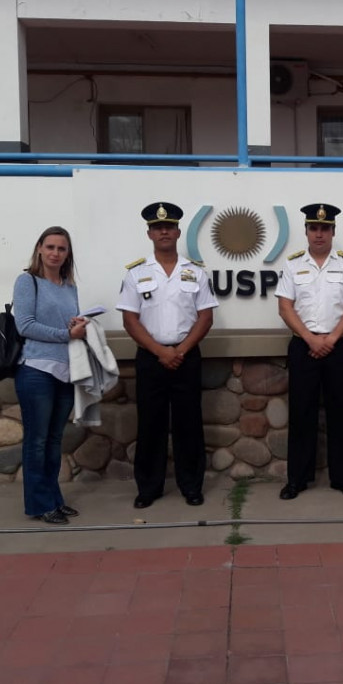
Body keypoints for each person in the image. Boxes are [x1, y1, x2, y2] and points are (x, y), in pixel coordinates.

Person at [117, 201, 218, 508]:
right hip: (151, 358)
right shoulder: (136, 273)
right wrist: (160, 351)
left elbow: (205, 317)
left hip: (187, 356)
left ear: (177, 231)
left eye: (169, 226)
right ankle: (149, 487)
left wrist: (180, 350)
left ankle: (191, 486)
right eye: (158, 227)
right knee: (150, 424)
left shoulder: (195, 272)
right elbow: (130, 320)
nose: (164, 231)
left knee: (189, 424)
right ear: (149, 233)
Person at [276, 203, 343, 500]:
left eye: (325, 228)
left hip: (338, 346)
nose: (319, 234)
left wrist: (331, 339)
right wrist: (310, 339)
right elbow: (285, 307)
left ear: (333, 232)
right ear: (306, 231)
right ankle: (297, 479)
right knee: (302, 414)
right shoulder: (292, 265)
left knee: (340, 413)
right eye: (314, 228)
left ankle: (342, 479)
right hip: (304, 346)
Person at [14, 226, 87, 525]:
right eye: (51, 247)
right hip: (36, 370)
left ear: (68, 254)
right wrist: (66, 334)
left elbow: (68, 329)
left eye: (62, 248)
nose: (56, 253)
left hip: (65, 371)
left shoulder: (70, 287)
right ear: (40, 249)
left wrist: (78, 325)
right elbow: (25, 325)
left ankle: (54, 498)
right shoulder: (27, 281)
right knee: (37, 440)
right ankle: (40, 504)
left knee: (54, 440)